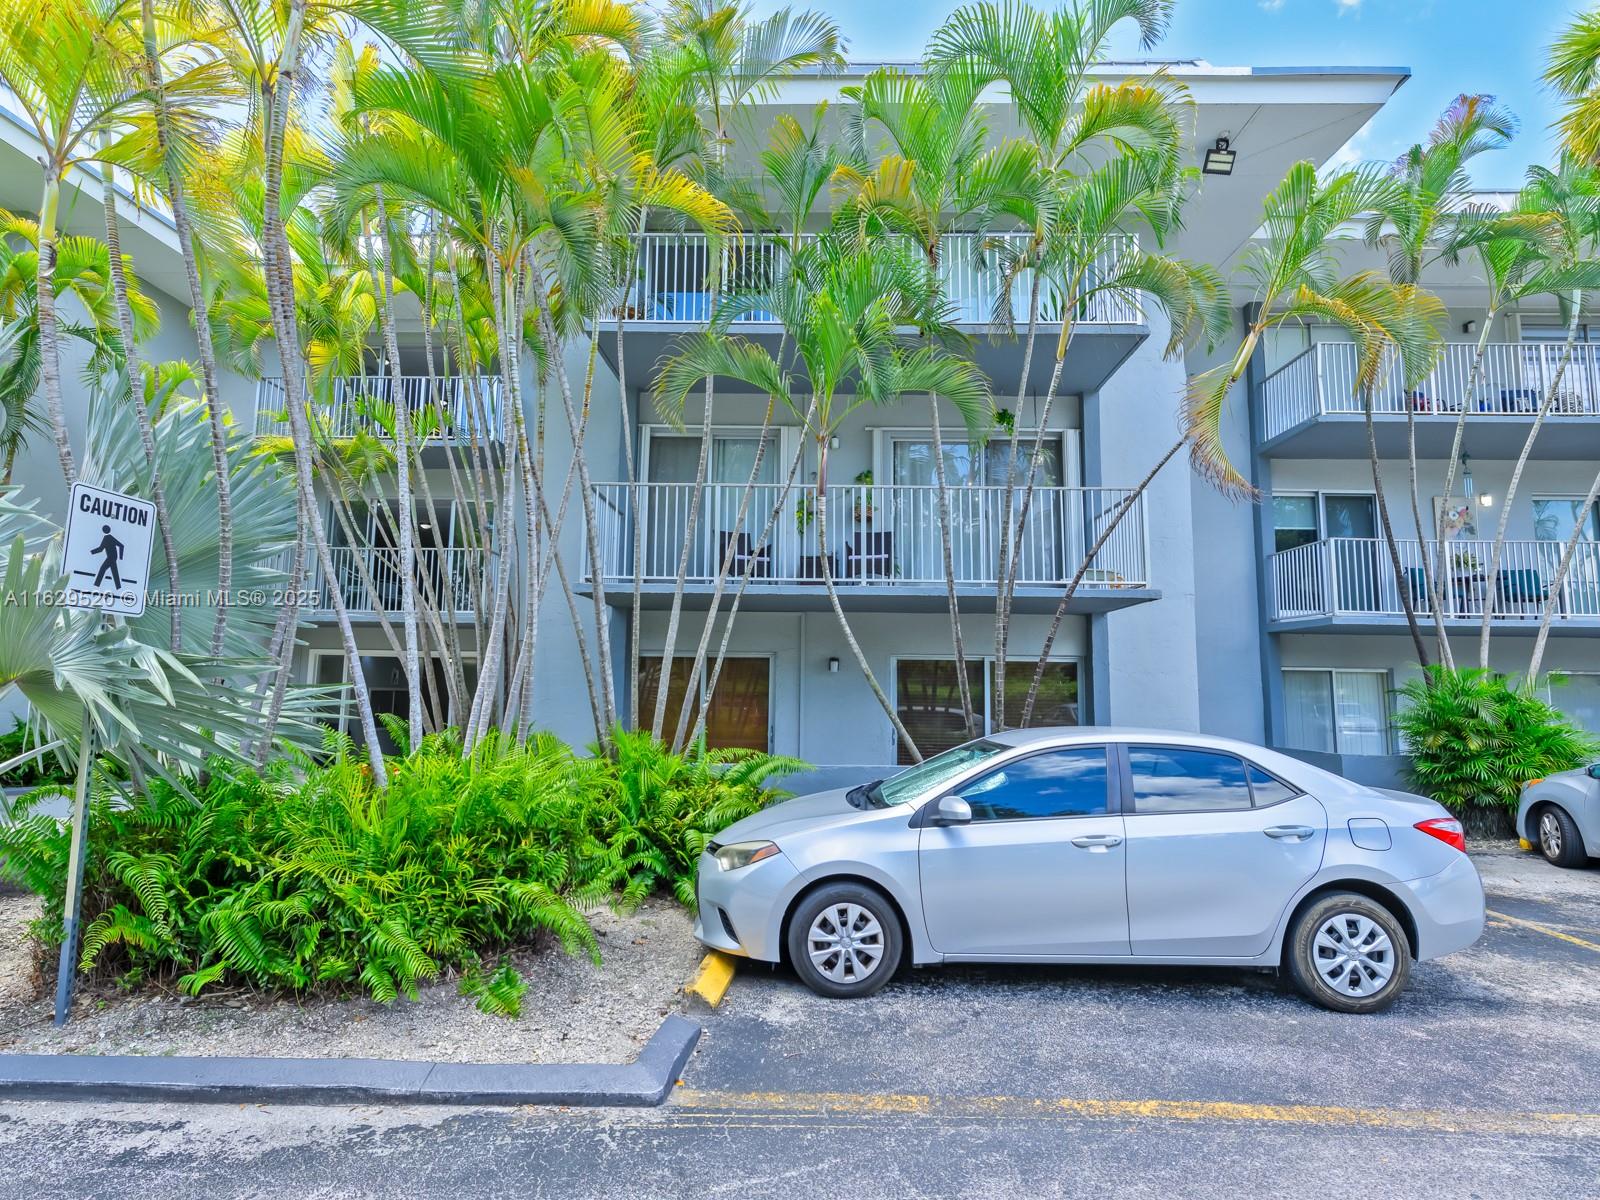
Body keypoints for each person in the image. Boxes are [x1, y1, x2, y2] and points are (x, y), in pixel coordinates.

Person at [91, 524, 124, 589]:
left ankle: (96, 585)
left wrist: (91, 552)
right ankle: (118, 587)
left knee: (102, 569)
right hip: (113, 557)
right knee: (114, 572)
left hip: (111, 558)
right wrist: (119, 557)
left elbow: (100, 549)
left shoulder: (107, 538)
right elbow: (121, 546)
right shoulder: (110, 537)